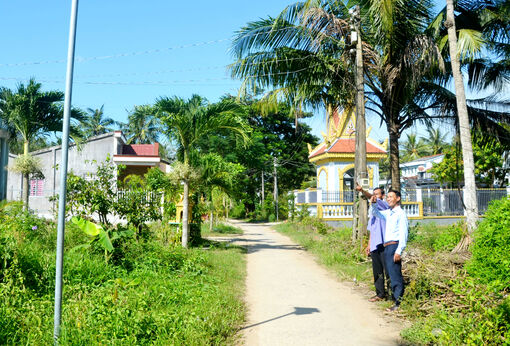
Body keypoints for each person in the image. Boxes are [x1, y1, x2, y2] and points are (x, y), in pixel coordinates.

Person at [370, 189, 409, 312]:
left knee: (395, 275)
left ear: (398, 198)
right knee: (390, 274)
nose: (389, 199)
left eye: (391, 197)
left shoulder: (400, 214)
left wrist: (399, 251)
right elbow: (377, 213)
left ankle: (398, 303)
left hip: (394, 246)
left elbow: (403, 234)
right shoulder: (389, 213)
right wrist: (373, 203)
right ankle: (394, 300)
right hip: (387, 246)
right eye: (388, 197)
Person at [355, 184, 390, 302]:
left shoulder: (384, 207)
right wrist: (369, 245)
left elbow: (372, 199)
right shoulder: (373, 213)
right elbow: (372, 231)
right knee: (377, 271)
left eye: (377, 194)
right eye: (374, 194)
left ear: (383, 196)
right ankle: (380, 294)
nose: (374, 197)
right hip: (375, 245)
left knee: (388, 270)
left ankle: (392, 295)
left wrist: (363, 191)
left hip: (385, 244)